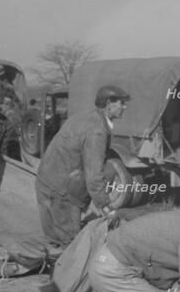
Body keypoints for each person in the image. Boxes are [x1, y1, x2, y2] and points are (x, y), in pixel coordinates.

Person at [35, 85, 130, 246]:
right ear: (108, 103)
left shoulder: (84, 117)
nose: (124, 107)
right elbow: (94, 175)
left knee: (54, 242)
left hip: (46, 184)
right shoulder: (97, 130)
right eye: (121, 103)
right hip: (61, 194)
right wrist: (106, 206)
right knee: (72, 247)